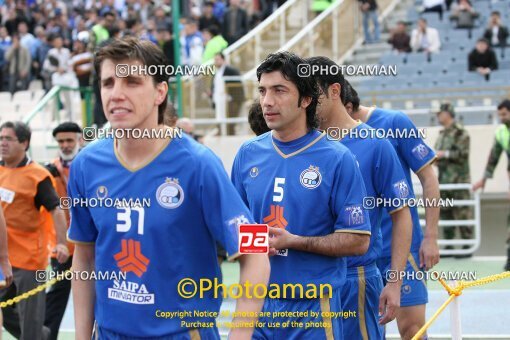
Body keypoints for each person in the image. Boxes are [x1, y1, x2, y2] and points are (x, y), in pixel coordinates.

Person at [68, 36, 269, 339]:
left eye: (132, 82)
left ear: (160, 91)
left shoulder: (199, 163)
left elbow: (256, 251)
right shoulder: (85, 164)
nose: (117, 94)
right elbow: (84, 258)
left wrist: (239, 335)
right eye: (108, 83)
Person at [232, 51, 371, 339]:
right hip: (258, 302)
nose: (267, 101)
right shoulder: (248, 154)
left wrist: (294, 241)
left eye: (279, 90)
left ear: (306, 100)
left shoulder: (337, 158)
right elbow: (237, 226)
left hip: (314, 308)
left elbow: (358, 241)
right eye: (262, 91)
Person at [309, 56, 413, 339]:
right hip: (310, 280)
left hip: (359, 279)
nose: (307, 102)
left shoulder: (375, 144)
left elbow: (401, 214)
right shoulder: (303, 145)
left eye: (313, 94)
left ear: (334, 91)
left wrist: (394, 281)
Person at [344, 84, 440, 339]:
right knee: (372, 330)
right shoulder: (327, 134)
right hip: (360, 255)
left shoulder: (394, 122)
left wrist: (431, 237)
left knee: (412, 329)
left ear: (348, 107)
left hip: (402, 249)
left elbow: (429, 179)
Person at [0, 121, 69, 340]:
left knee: (30, 319)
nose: (2, 143)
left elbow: (56, 210)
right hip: (4, 257)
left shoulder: (37, 176)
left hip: (30, 259)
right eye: (1, 138)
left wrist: (61, 243)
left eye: (8, 139)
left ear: (24, 143)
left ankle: (37, 335)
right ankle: (43, 336)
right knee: (4, 308)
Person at [43, 122, 83, 340]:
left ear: (79, 139)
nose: (65, 145)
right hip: (63, 247)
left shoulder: (91, 164)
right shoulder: (48, 170)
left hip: (90, 245)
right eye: (61, 141)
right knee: (56, 298)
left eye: (69, 140)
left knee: (95, 297)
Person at [473, 99, 510, 271]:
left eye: (505, 114)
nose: (502, 118)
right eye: (500, 115)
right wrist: (483, 180)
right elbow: (493, 159)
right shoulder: (501, 132)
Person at [434, 103, 472, 256]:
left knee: (463, 212)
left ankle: (466, 246)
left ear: (448, 113)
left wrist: (444, 154)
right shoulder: (441, 134)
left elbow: (463, 154)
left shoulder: (460, 133)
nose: (438, 116)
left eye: (440, 113)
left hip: (459, 180)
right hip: (444, 180)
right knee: (445, 212)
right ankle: (449, 246)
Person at [211, 53, 244, 135]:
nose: (216, 62)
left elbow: (237, 85)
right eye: (215, 60)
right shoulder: (216, 73)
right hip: (219, 100)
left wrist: (231, 97)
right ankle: (221, 132)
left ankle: (230, 135)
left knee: (230, 122)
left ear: (223, 60)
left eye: (218, 59)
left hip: (231, 100)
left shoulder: (231, 70)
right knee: (220, 118)